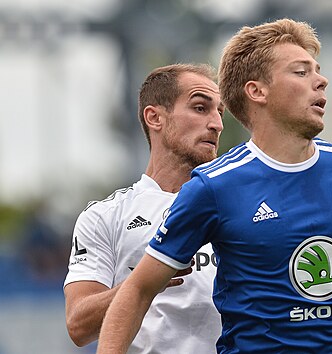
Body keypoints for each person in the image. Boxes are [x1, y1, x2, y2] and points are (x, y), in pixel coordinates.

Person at [98, 19, 332, 354]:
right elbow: (138, 289)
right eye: (301, 72)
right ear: (257, 91)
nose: (321, 81)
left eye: (317, 70)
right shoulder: (214, 186)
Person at [64, 63, 224, 353]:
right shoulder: (105, 216)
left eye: (219, 112)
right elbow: (78, 325)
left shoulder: (239, 206)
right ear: (155, 118)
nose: (217, 124)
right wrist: (145, 282)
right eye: (201, 108)